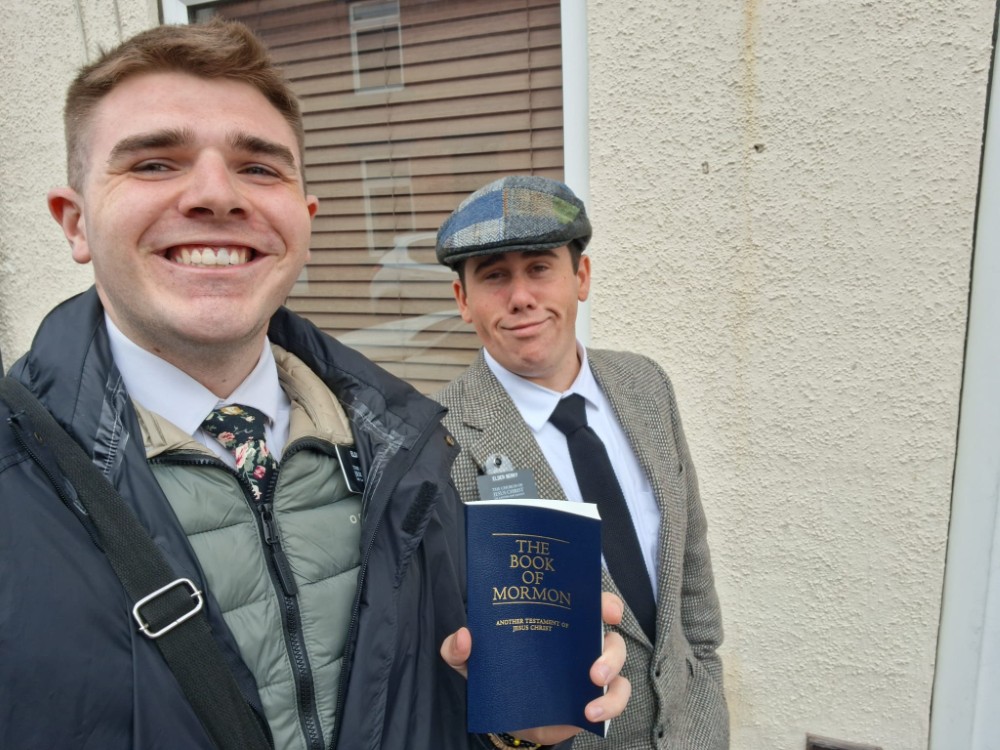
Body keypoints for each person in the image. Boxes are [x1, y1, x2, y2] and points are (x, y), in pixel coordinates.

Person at [0, 22, 630, 750]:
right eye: (154, 163)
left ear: (305, 220)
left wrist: (515, 736)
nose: (216, 194)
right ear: (75, 222)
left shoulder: (411, 453)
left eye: (259, 168)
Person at [434, 176, 729, 749]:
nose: (521, 296)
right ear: (463, 300)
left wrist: (707, 696)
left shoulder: (646, 385)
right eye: (494, 276)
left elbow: (690, 564)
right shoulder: (436, 439)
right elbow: (449, 648)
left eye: (540, 268)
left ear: (582, 278)